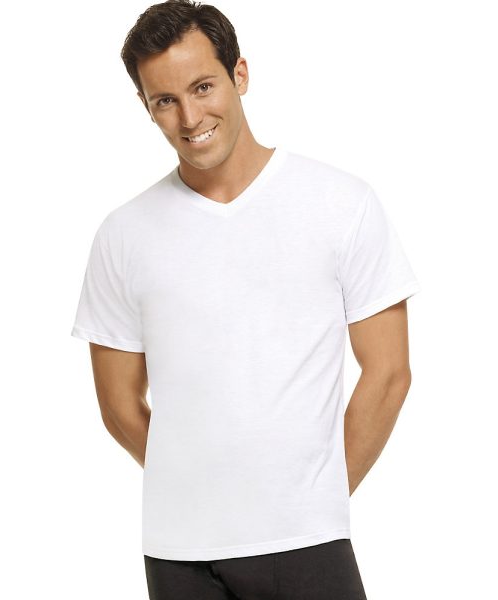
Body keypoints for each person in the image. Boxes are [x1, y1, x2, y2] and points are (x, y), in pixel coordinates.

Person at [71, 1, 421, 598]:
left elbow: (389, 373)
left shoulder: (341, 203)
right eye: (165, 100)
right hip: (178, 551)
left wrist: (313, 501)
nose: (190, 117)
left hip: (306, 541)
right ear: (146, 107)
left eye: (203, 87)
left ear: (240, 75)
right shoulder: (123, 234)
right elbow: (119, 405)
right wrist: (201, 493)